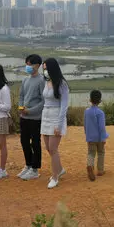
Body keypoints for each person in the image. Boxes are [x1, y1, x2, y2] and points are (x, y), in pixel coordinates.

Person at [41, 58, 69, 189]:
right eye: (44, 68)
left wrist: (59, 124)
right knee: (48, 148)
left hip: (56, 116)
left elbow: (64, 106)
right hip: (45, 116)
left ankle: (55, 177)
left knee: (53, 148)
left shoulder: (62, 84)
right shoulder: (46, 81)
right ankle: (60, 169)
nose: (45, 71)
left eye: (46, 68)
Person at [18, 54, 46, 181]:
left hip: (36, 118)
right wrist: (21, 109)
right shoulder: (25, 80)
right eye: (27, 64)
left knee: (35, 142)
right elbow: (21, 96)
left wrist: (30, 111)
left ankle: (35, 169)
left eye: (30, 64)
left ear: (37, 65)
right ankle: (28, 165)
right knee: (24, 141)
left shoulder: (41, 80)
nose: (27, 66)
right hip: (24, 116)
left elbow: (43, 101)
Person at [84, 90, 109, 181]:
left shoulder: (86, 112)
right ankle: (100, 170)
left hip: (90, 137)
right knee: (101, 153)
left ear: (90, 100)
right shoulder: (100, 113)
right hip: (99, 138)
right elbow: (101, 127)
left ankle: (90, 165)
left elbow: (85, 125)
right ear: (100, 101)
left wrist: (87, 136)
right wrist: (103, 138)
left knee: (91, 153)